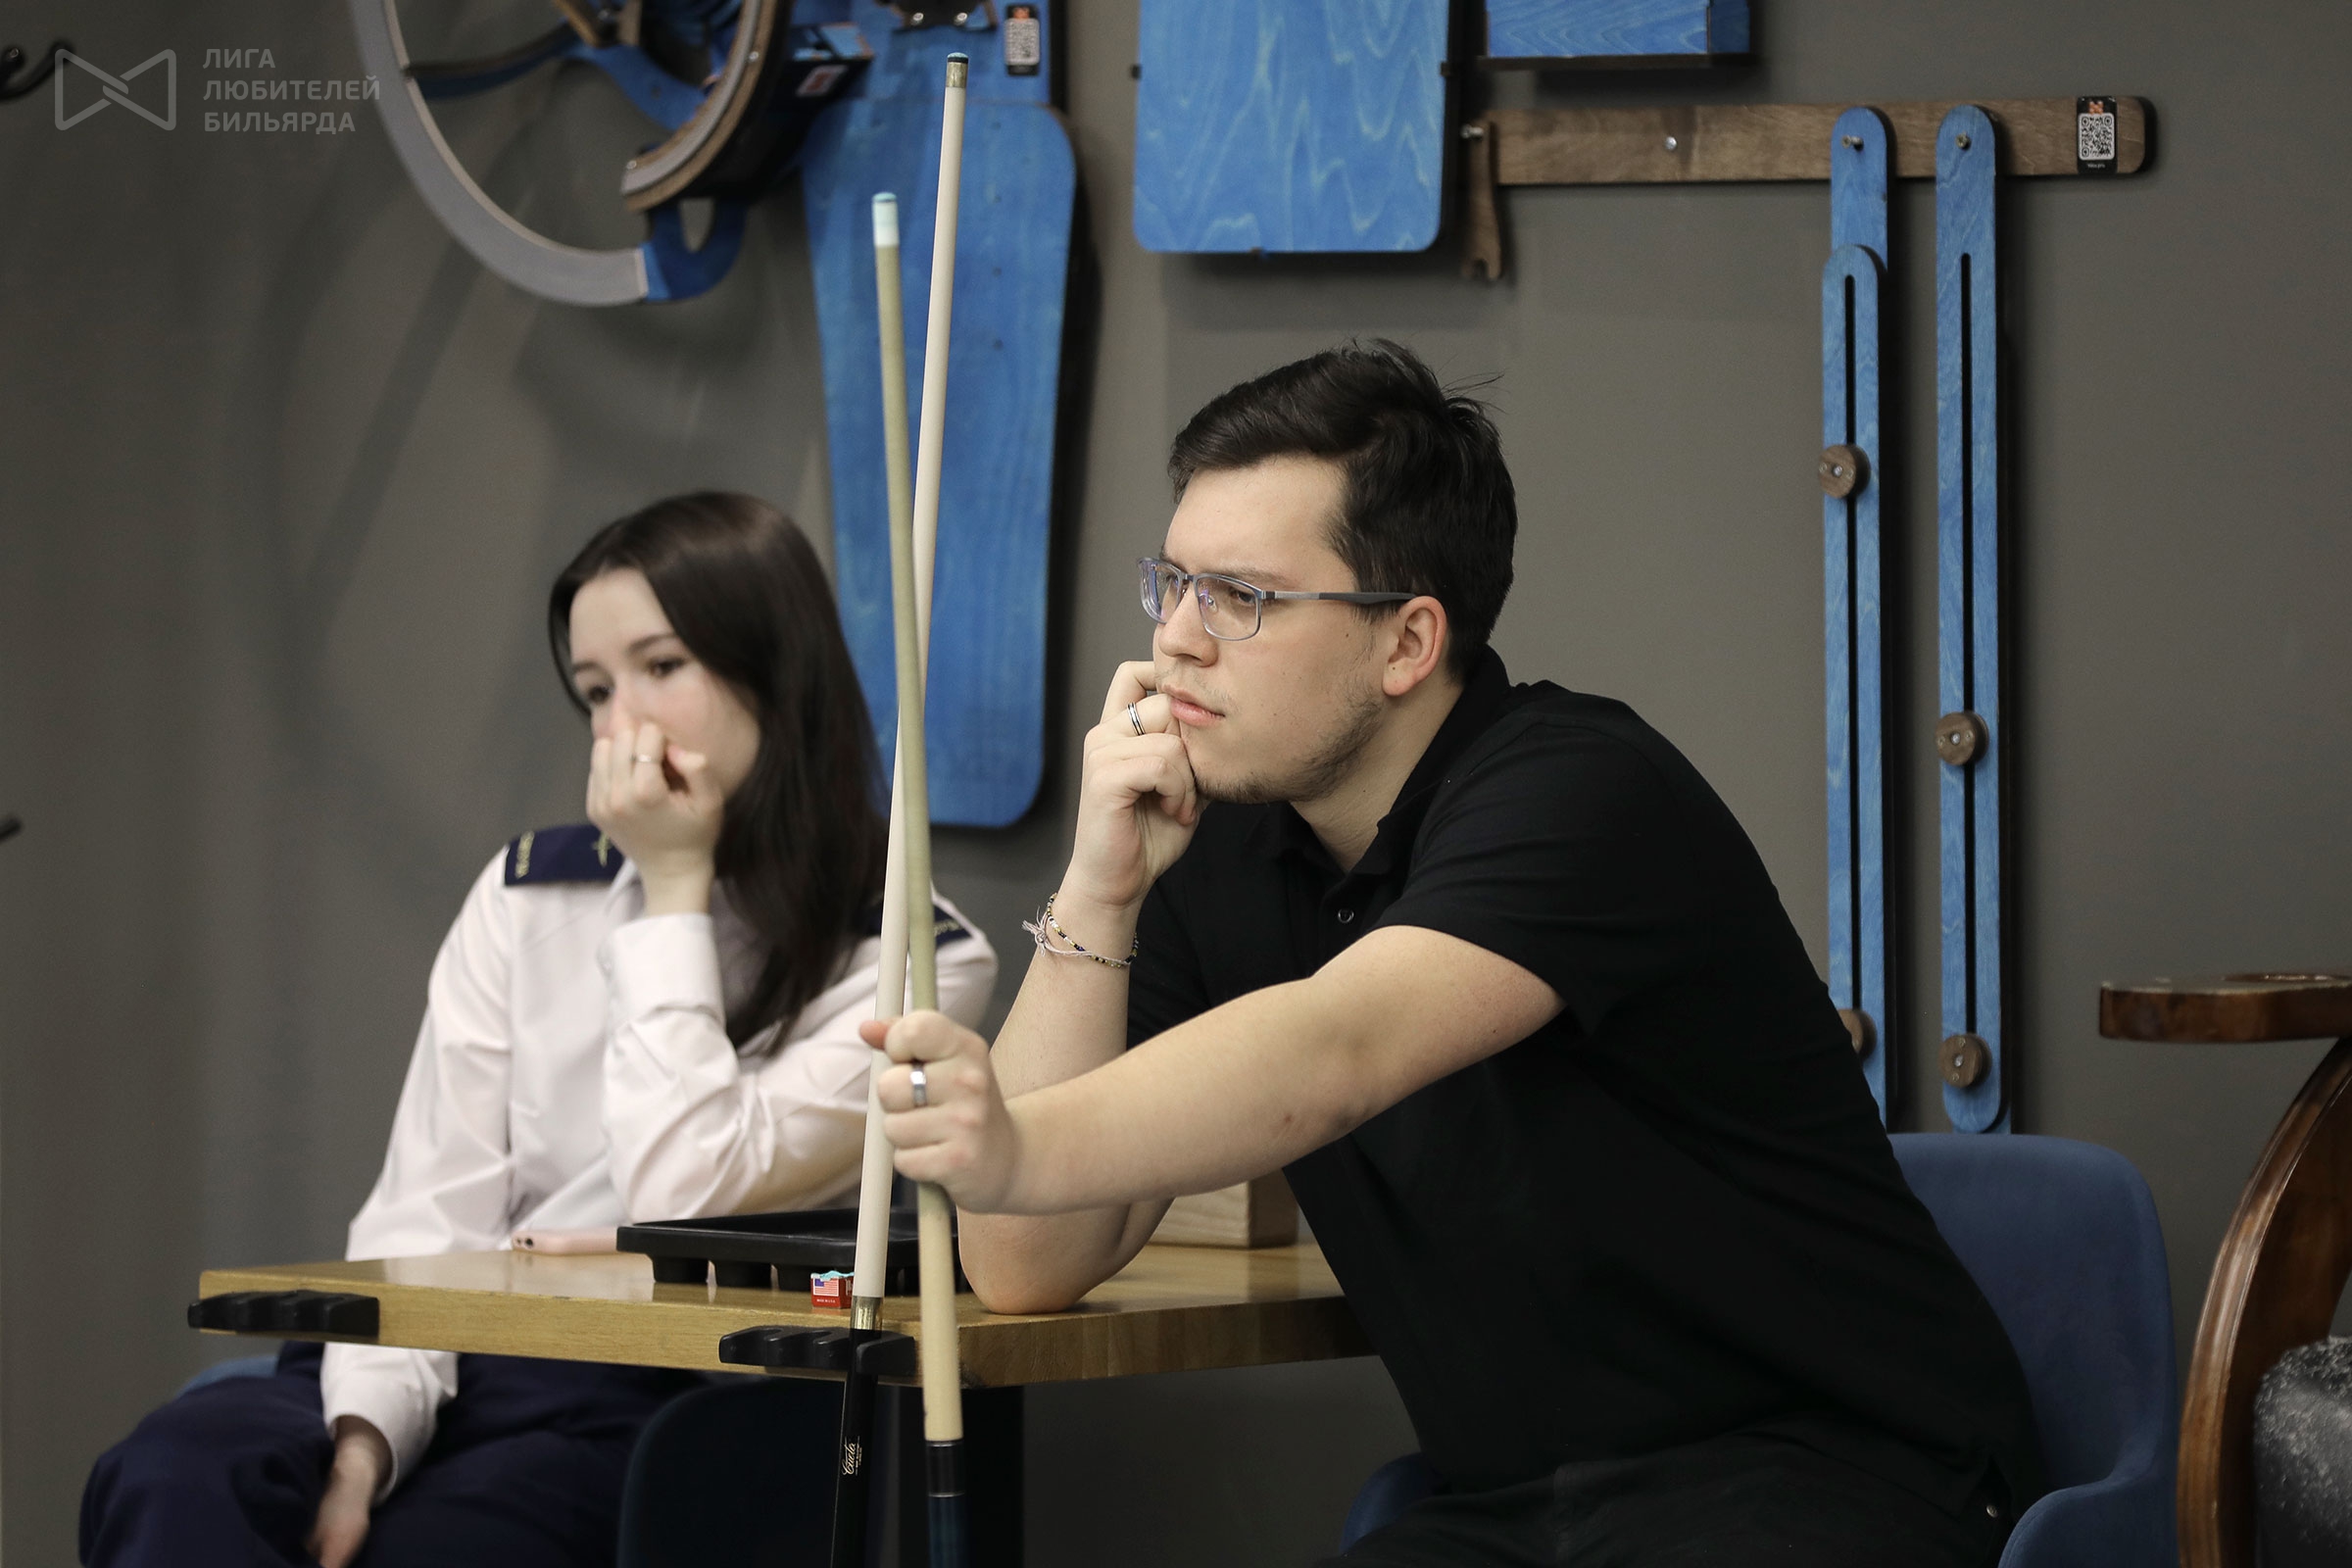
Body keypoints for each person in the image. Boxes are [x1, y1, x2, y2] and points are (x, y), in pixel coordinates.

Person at [861, 344, 2044, 1566]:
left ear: (1408, 641)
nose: (1175, 639)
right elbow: (1024, 1261)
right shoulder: (1214, 845)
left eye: (1241, 597)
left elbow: (1339, 1046)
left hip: (1844, 1474)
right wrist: (1099, 891)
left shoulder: (1580, 791)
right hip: (1532, 1512)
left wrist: (1018, 1141)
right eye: (1172, 583)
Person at [81, 492, 996, 1568]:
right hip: (428, 1350)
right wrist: (364, 1442)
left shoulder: (914, 957)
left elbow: (680, 1191)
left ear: (777, 675)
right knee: (169, 1476)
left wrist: (673, 887)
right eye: (596, 690)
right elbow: (427, 1212)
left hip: (641, 1391)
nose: (619, 725)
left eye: (662, 667)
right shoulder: (525, 896)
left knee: (441, 1550)